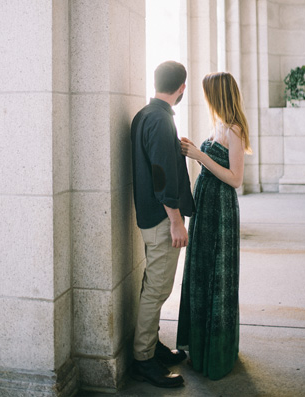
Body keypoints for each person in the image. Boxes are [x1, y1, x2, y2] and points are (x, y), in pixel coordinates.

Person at [177, 72, 251, 380]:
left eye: (208, 93)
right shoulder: (218, 123)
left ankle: (216, 352)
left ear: (218, 95)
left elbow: (235, 178)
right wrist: (198, 150)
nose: (205, 98)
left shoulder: (234, 129)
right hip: (205, 208)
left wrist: (198, 156)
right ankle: (199, 344)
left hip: (220, 210)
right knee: (201, 271)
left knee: (216, 276)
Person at [130, 60, 195, 388]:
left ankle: (151, 346)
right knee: (157, 290)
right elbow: (161, 175)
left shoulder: (145, 115)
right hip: (160, 219)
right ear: (181, 88)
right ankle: (143, 359)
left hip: (151, 216)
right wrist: (175, 222)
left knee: (153, 286)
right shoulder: (160, 120)